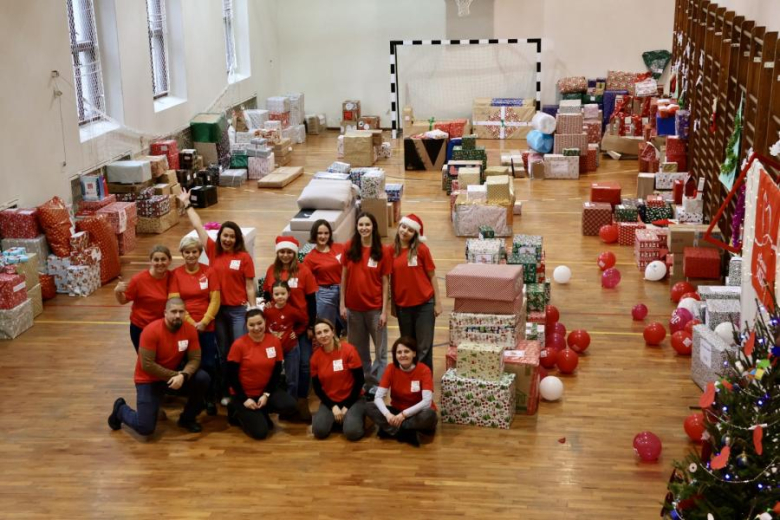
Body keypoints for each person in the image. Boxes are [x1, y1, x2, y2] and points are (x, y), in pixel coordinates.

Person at [179, 190, 256, 403]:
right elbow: (198, 227)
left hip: (239, 312)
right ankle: (225, 389)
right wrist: (187, 205)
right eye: (225, 235)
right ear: (220, 236)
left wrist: (252, 308)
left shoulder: (243, 258)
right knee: (223, 352)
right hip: (217, 313)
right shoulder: (213, 251)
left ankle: (241, 389)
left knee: (239, 349)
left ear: (237, 238)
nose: (228, 239)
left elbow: (250, 286)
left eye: (232, 236)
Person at [108, 298, 210, 435]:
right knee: (145, 428)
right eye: (173, 312)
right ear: (165, 313)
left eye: (181, 312)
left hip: (171, 378)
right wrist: (176, 376)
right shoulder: (151, 331)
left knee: (203, 378)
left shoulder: (190, 330)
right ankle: (120, 409)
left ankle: (187, 419)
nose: (178, 315)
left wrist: (184, 375)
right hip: (148, 380)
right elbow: (147, 365)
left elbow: (195, 358)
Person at [262, 236, 318, 416]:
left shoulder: (304, 271)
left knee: (303, 364)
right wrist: (268, 305)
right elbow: (265, 294)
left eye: (289, 252)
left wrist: (310, 326)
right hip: (280, 327)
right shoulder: (272, 270)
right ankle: (284, 400)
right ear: (278, 253)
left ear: (294, 253)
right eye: (282, 252)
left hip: (300, 325)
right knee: (280, 365)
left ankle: (300, 400)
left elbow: (311, 301)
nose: (285, 255)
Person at [168, 235, 221, 415]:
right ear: (182, 254)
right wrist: (192, 323)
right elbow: (175, 301)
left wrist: (205, 321)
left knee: (209, 363)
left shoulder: (210, 272)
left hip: (207, 326)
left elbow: (215, 298)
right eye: (187, 252)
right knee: (188, 363)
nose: (191, 255)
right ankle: (193, 398)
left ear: (199, 253)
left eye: (194, 251)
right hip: (185, 327)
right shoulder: (176, 274)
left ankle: (210, 398)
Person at [339, 212, 391, 395]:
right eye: (361, 224)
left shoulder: (383, 251)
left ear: (373, 227)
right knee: (359, 350)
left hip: (375, 309)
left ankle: (378, 386)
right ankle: (364, 382)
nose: (364, 228)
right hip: (354, 309)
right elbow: (343, 278)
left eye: (367, 224)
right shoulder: (349, 247)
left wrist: (384, 311)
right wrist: (342, 304)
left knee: (380, 351)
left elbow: (385, 283)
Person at [225, 309, 297, 440]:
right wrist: (244, 399)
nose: (256, 328)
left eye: (259, 323)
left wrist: (266, 394)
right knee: (261, 433)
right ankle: (236, 411)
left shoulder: (274, 341)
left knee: (290, 404)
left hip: (264, 392)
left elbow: (276, 371)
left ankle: (260, 411)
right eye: (251, 325)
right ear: (246, 326)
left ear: (265, 322)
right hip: (244, 394)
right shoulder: (238, 345)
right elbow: (231, 376)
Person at [389, 214, 442, 370]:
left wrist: (437, 303)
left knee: (424, 348)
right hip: (403, 306)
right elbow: (390, 280)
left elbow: (432, 276)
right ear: (399, 227)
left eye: (410, 230)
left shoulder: (422, 250)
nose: (405, 232)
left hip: (424, 305)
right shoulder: (390, 251)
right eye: (404, 227)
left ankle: (424, 385)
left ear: (415, 234)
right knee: (408, 346)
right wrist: (393, 305)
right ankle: (409, 381)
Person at [366, 337, 438, 447]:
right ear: (395, 355)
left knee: (430, 415)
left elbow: (427, 402)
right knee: (368, 407)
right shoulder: (391, 368)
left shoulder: (424, 370)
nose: (403, 355)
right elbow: (378, 397)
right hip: (397, 411)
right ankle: (409, 434)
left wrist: (404, 415)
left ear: (414, 353)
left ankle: (391, 430)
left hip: (417, 413)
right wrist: (388, 415)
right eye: (399, 352)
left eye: (406, 351)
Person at [310, 318, 366, 441]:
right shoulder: (315, 358)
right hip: (331, 400)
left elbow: (360, 381)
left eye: (326, 331)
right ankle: (340, 419)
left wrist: (346, 405)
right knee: (319, 431)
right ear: (315, 336)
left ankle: (357, 418)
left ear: (332, 331)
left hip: (353, 399)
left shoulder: (348, 350)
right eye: (319, 333)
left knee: (352, 433)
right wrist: (333, 406)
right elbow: (317, 388)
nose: (323, 335)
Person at [114, 245, 172, 352]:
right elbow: (123, 300)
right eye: (156, 260)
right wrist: (117, 291)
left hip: (164, 328)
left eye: (163, 259)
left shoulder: (172, 277)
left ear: (169, 261)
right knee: (146, 361)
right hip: (141, 328)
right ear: (150, 261)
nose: (160, 263)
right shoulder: (138, 279)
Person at [263, 281, 308, 399]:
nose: (280, 297)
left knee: (292, 379)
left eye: (283, 293)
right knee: (270, 376)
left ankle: (291, 403)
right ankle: (271, 400)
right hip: (272, 349)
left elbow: (304, 321)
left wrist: (297, 333)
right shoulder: (267, 310)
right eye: (276, 294)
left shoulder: (292, 311)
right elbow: (263, 327)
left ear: (288, 294)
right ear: (272, 295)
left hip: (290, 348)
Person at [303, 219, 346, 334]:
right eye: (319, 233)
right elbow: (307, 282)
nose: (323, 236)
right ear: (314, 235)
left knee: (351, 326)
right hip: (324, 294)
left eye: (326, 233)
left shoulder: (340, 247)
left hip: (344, 290)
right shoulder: (309, 258)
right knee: (327, 329)